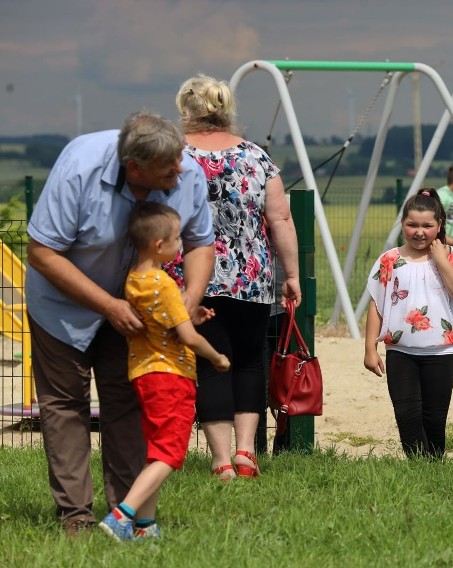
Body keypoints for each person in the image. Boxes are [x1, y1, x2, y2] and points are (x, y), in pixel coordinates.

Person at [25, 111, 215, 538]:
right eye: (169, 166)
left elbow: (202, 243)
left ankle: (126, 517)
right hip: (61, 307)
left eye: (180, 159)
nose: (180, 169)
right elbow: (42, 253)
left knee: (127, 405)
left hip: (136, 316)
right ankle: (75, 516)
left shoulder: (188, 173)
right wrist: (109, 305)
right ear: (134, 167)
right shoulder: (80, 166)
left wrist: (188, 301)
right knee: (65, 407)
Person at [174, 74, 301, 480]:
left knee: (211, 365)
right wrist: (292, 274)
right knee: (249, 362)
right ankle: (246, 453)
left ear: (185, 112)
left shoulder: (175, 157)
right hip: (252, 275)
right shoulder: (256, 157)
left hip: (195, 277)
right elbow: (279, 217)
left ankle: (220, 459)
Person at [99, 202, 230, 542]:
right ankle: (121, 516)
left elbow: (164, 321)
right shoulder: (164, 283)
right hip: (172, 376)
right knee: (170, 453)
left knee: (156, 452)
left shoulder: (135, 281)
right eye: (176, 239)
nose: (180, 244)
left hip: (144, 374)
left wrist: (189, 316)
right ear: (160, 246)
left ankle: (145, 526)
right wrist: (217, 357)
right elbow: (187, 338)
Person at [363, 188, 453, 458]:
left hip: (442, 351)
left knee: (434, 418)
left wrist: (440, 260)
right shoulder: (390, 260)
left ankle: (433, 469)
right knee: (407, 415)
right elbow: (377, 304)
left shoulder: (452, 257)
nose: (419, 231)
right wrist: (369, 348)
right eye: (412, 224)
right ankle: (418, 467)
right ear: (402, 224)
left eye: (427, 225)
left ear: (439, 226)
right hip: (401, 351)